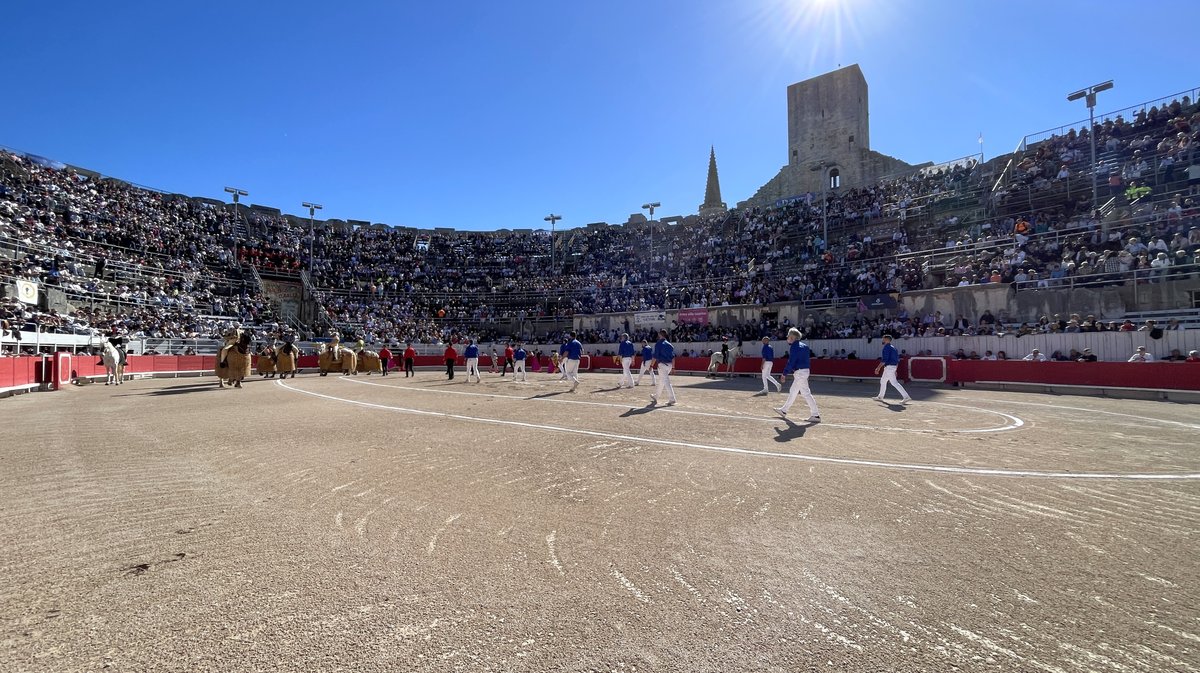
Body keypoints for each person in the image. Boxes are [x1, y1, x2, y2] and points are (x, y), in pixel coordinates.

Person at [775, 328, 820, 421]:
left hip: (800, 372)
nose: (787, 338)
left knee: (805, 393)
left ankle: (815, 415)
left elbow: (791, 361)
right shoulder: (805, 346)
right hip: (804, 371)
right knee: (794, 391)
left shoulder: (794, 347)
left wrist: (784, 373)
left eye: (788, 337)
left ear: (792, 337)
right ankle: (784, 410)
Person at [872, 334, 912, 404]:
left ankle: (906, 397)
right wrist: (895, 369)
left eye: (883, 339)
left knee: (894, 382)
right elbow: (897, 360)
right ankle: (880, 396)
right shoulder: (894, 348)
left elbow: (884, 360)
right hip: (891, 367)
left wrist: (878, 368)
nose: (882, 340)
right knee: (883, 381)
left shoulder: (886, 348)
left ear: (887, 340)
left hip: (889, 367)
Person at [650, 328, 676, 405]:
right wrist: (673, 367)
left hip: (662, 365)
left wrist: (651, 365)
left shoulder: (658, 344)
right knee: (662, 381)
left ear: (660, 335)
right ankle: (656, 396)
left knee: (666, 381)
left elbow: (655, 356)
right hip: (669, 365)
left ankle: (672, 399)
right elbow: (673, 357)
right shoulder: (670, 345)